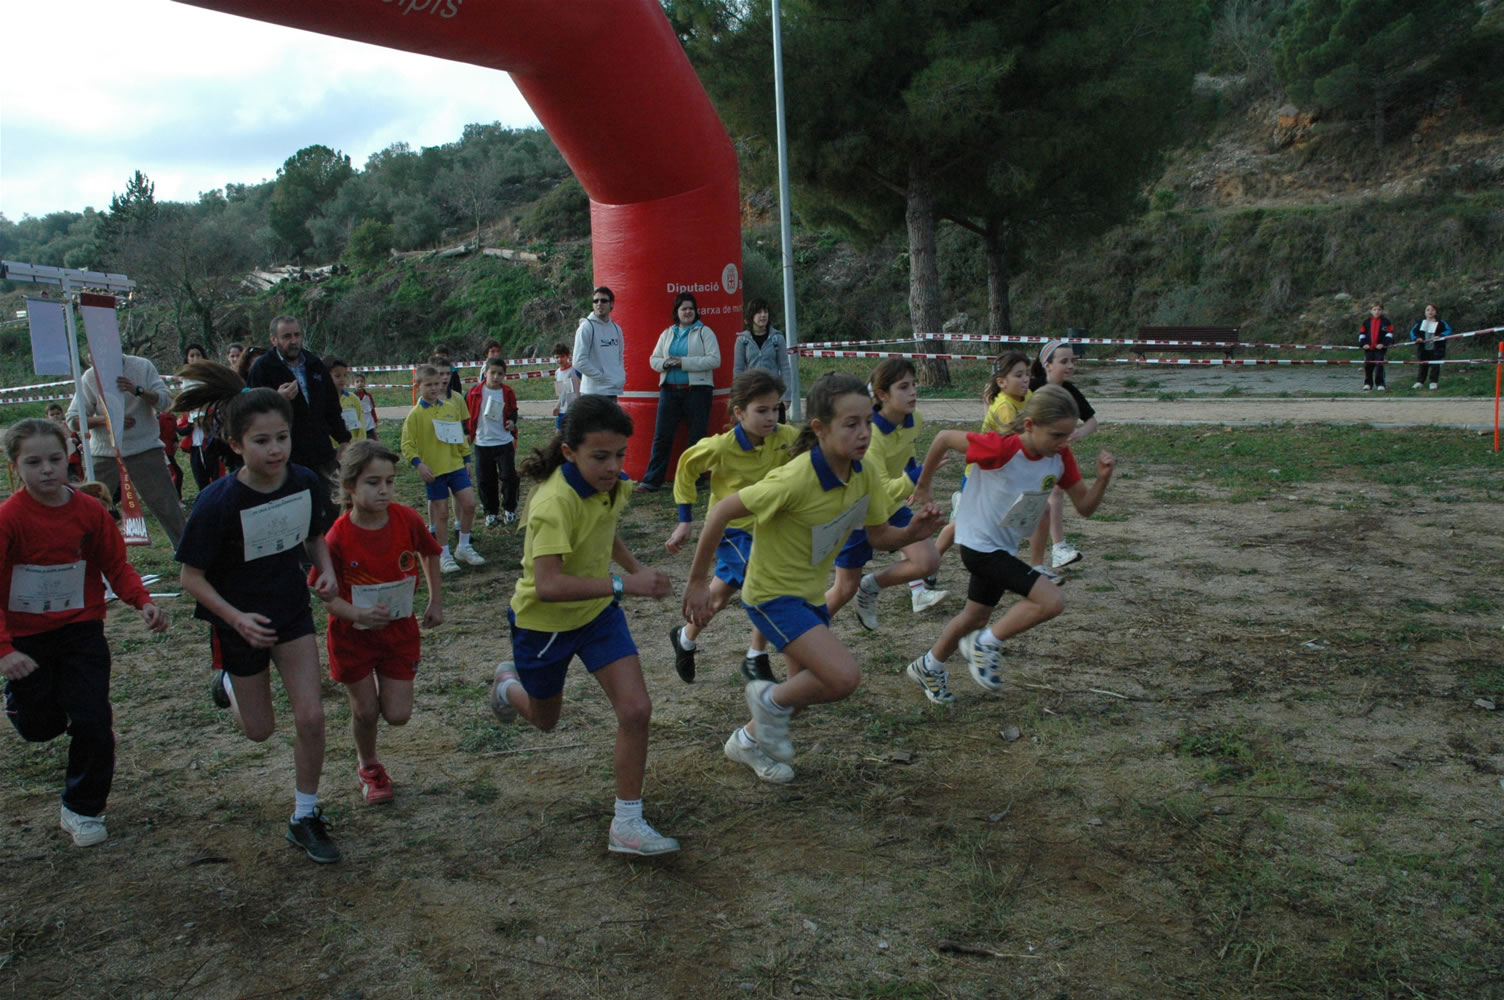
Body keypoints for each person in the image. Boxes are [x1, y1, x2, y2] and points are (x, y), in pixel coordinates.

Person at [683, 373, 943, 785]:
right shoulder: (794, 478)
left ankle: (746, 742)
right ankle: (765, 700)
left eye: (868, 422)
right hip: (771, 596)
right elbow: (721, 512)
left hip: (810, 596)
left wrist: (913, 533)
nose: (864, 433)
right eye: (851, 424)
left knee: (804, 688)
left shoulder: (863, 472)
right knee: (842, 677)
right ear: (819, 428)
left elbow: (879, 536)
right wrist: (698, 581)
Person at [487, 395, 679, 855]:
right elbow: (548, 585)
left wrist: (634, 570)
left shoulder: (610, 484)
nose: (613, 467)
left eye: (620, 455)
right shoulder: (553, 503)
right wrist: (625, 584)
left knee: (636, 710)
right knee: (545, 720)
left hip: (597, 614)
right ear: (569, 452)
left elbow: (604, 529)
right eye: (600, 456)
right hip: (543, 625)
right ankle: (507, 687)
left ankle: (626, 824)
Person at [171, 362, 342, 864]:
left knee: (311, 716)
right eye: (262, 441)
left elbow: (314, 537)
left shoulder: (304, 481)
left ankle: (304, 816)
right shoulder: (217, 502)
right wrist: (236, 618)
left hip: (290, 613)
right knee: (260, 730)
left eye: (282, 437)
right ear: (236, 444)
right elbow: (190, 577)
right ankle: (228, 682)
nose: (275, 450)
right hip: (240, 623)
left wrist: (326, 570)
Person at [1, 419, 169, 847]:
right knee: (40, 726)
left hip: (81, 630)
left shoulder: (90, 512)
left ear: (70, 457)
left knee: (93, 718)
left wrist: (143, 602)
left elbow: (116, 564)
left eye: (55, 459)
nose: (46, 469)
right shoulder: (8, 519)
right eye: (33, 462)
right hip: (25, 639)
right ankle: (20, 702)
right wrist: (4, 650)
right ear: (14, 467)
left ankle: (82, 808)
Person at [905, 387, 1116, 703]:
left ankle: (929, 665)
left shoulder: (1059, 457)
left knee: (975, 617)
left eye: (1068, 434)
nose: (1064, 442)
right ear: (1030, 425)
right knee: (1052, 600)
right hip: (978, 545)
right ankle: (985, 644)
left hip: (1002, 548)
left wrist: (1102, 479)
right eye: (1056, 435)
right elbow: (944, 438)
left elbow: (1085, 507)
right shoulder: (1000, 448)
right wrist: (924, 486)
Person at [316, 440, 443, 805]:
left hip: (399, 634)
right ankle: (369, 766)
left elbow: (430, 553)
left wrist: (435, 599)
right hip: (352, 637)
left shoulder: (407, 519)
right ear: (350, 486)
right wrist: (358, 614)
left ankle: (377, 707)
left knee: (398, 715)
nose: (384, 490)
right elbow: (326, 596)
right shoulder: (337, 536)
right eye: (373, 482)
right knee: (366, 711)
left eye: (389, 481)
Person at [664, 371, 798, 684]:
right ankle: (756, 657)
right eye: (761, 410)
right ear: (739, 412)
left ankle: (684, 639)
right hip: (732, 531)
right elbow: (686, 467)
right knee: (765, 581)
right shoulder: (721, 447)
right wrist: (685, 519)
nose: (771, 417)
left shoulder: (786, 438)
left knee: (719, 597)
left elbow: (813, 456)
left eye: (775, 408)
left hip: (769, 529)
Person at [824, 360, 947, 626]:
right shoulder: (871, 433)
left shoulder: (915, 419)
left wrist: (916, 478)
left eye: (914, 384)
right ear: (882, 395)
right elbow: (881, 489)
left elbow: (907, 450)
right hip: (856, 510)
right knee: (844, 589)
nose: (913, 392)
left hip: (888, 508)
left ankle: (870, 586)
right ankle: (803, 634)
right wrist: (920, 474)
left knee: (928, 561)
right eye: (903, 387)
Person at [65, 350, 187, 548]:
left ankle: (186, 552)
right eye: (92, 356)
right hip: (104, 452)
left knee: (168, 506)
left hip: (144, 448)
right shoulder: (89, 377)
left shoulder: (142, 366)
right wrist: (108, 420)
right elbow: (73, 420)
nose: (96, 360)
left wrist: (138, 390)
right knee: (87, 506)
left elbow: (166, 402)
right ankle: (78, 553)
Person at [927, 352, 1033, 578]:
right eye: (1018, 375)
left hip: (1001, 475)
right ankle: (929, 566)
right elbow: (1017, 442)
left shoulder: (1028, 396)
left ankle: (1003, 566)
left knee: (998, 524)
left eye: (1027, 374)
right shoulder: (1004, 406)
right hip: (981, 476)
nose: (1025, 379)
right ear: (1002, 382)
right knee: (961, 526)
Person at [401, 364, 484, 574]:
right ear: (418, 387)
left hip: (455, 465)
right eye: (428, 385)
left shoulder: (450, 408)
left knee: (470, 504)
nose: (434, 388)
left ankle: (463, 546)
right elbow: (407, 445)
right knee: (442, 513)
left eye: (436, 384)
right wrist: (419, 464)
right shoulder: (415, 415)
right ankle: (443, 554)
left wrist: (467, 459)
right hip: (434, 471)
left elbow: (459, 436)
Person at [245, 315, 350, 477]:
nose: (294, 341)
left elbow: (331, 407)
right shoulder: (263, 368)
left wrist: (343, 440)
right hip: (285, 457)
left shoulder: (314, 363)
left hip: (322, 452)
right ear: (273, 340)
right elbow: (251, 411)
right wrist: (277, 398)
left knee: (331, 492)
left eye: (297, 335)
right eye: (287, 336)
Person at [637, 292, 722, 492]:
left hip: (698, 391)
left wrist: (682, 362)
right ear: (677, 312)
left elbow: (714, 359)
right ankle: (651, 481)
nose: (688, 312)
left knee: (697, 437)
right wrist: (666, 363)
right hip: (669, 391)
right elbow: (654, 359)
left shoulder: (705, 332)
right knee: (662, 436)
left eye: (691, 308)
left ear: (696, 311)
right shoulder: (667, 333)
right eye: (684, 308)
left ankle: (696, 479)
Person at [1027, 340, 1097, 570]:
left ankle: (1058, 549)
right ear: (1047, 364)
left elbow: (1092, 421)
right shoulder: (1031, 387)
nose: (1070, 366)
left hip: (1054, 452)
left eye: (1072, 361)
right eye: (1064, 361)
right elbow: (999, 398)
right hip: (1026, 451)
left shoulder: (1070, 390)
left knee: (1054, 492)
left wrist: (1080, 432)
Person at [464, 356, 521, 528]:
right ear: (485, 373)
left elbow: (513, 411)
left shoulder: (507, 392)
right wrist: (467, 432)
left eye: (500, 374)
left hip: (503, 442)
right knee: (485, 480)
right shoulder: (474, 392)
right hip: (482, 443)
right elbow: (465, 415)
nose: (496, 377)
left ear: (504, 375)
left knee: (509, 477)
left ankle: (509, 509)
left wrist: (512, 422)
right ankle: (490, 512)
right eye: (493, 373)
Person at [732, 298, 795, 423]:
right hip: (752, 395)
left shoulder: (777, 338)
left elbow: (785, 368)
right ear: (751, 315)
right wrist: (738, 396)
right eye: (759, 312)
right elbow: (738, 370)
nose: (763, 315)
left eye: (765, 312)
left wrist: (786, 396)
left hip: (774, 393)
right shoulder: (742, 340)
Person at [572, 287, 626, 400]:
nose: (599, 303)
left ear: (611, 304)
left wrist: (619, 376)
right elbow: (578, 361)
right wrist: (603, 378)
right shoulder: (586, 328)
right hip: (593, 392)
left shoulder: (616, 329)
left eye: (604, 300)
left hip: (612, 390)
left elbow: (619, 357)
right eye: (596, 301)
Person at [1409, 304, 1452, 390]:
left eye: (1432, 310)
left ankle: (1433, 382)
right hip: (1423, 349)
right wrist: (1417, 338)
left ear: (1436, 312)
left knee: (1435, 366)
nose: (1430, 312)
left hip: (1436, 348)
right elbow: (1413, 332)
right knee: (1422, 365)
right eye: (1428, 310)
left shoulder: (1441, 322)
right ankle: (1420, 382)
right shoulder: (1420, 323)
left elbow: (1448, 330)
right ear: (1425, 312)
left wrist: (1440, 335)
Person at [326, 359, 367, 444]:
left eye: (345, 375)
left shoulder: (353, 398)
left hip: (353, 446)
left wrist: (361, 443)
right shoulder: (322, 400)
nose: (342, 379)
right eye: (337, 376)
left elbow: (361, 423)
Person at [1358, 302, 1395, 392]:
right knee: (1368, 366)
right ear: (1371, 311)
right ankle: (1368, 384)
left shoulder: (1386, 322)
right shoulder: (1366, 322)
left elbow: (1389, 334)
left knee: (1379, 366)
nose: (1377, 311)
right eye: (1374, 309)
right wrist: (1363, 344)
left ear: (1382, 311)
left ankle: (1380, 384)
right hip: (1369, 349)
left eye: (1379, 309)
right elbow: (1362, 334)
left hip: (1380, 349)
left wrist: (1383, 344)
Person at [46, 402, 83, 482]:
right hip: (57, 460)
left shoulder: (68, 425)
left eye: (57, 413)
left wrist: (76, 442)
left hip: (73, 459)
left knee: (77, 479)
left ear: (62, 414)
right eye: (52, 414)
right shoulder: (47, 430)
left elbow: (77, 440)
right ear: (47, 417)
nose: (55, 416)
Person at [553, 341, 582, 429]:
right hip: (563, 410)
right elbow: (562, 393)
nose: (559, 359)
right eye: (557, 357)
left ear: (568, 356)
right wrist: (557, 407)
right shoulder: (557, 373)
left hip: (575, 409)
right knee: (559, 432)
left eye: (562, 356)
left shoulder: (575, 370)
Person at [351, 371, 379, 441]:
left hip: (369, 425)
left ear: (365, 383)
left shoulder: (368, 396)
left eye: (362, 381)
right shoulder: (352, 397)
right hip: (358, 426)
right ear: (353, 383)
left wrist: (375, 420)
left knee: (373, 443)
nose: (360, 383)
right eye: (357, 382)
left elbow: (372, 410)